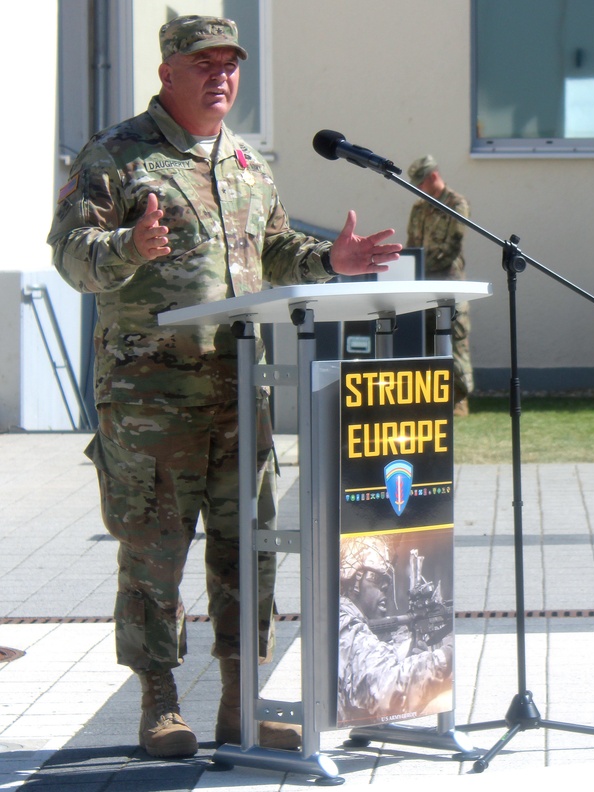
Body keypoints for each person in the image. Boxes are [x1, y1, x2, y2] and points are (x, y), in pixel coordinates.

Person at [47, 15, 401, 758]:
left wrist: (329, 262)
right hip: (151, 403)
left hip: (242, 393)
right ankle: (159, 703)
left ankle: (241, 703)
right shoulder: (116, 156)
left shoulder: (245, 162)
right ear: (166, 73)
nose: (220, 76)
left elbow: (270, 250)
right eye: (202, 63)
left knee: (250, 552)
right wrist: (128, 245)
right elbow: (73, 259)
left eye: (230, 64)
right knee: (154, 552)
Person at [338, 536, 453, 726]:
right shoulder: (348, 626)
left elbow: (371, 662)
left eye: (387, 582)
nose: (386, 587)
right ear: (355, 581)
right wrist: (446, 656)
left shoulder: (344, 621)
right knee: (444, 698)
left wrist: (406, 657)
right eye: (377, 579)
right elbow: (389, 689)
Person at [406, 155, 473, 415]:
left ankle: (459, 402)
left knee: (454, 343)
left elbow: (451, 247)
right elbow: (412, 244)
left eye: (420, 183)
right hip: (423, 286)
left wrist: (420, 266)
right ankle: (430, 400)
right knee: (426, 341)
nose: (418, 190)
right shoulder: (418, 208)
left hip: (448, 285)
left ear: (433, 177)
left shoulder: (457, 204)